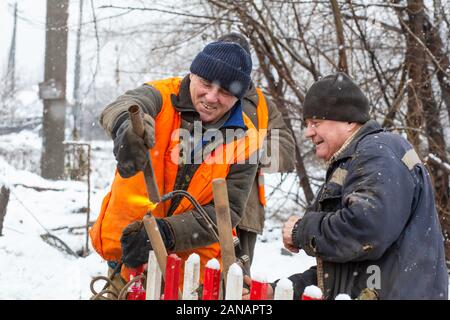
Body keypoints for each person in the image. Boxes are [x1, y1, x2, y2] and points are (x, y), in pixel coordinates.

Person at [249, 72, 448, 299]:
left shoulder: (378, 152)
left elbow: (367, 231)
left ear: (349, 121)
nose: (308, 132)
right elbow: (341, 273)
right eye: (306, 124)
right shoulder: (355, 160)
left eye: (316, 122)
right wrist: (277, 292)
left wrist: (301, 231)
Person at [89, 41, 263, 294]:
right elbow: (121, 106)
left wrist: (166, 232)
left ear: (239, 96)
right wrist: (126, 127)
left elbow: (227, 211)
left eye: (225, 91)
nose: (212, 97)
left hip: (191, 280)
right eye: (205, 83)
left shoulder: (248, 140)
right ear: (192, 74)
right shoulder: (160, 96)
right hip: (129, 265)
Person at [217, 32, 296, 275]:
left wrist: (243, 150)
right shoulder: (202, 94)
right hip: (195, 209)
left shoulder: (261, 104)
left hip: (244, 213)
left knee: (235, 284)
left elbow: (285, 152)